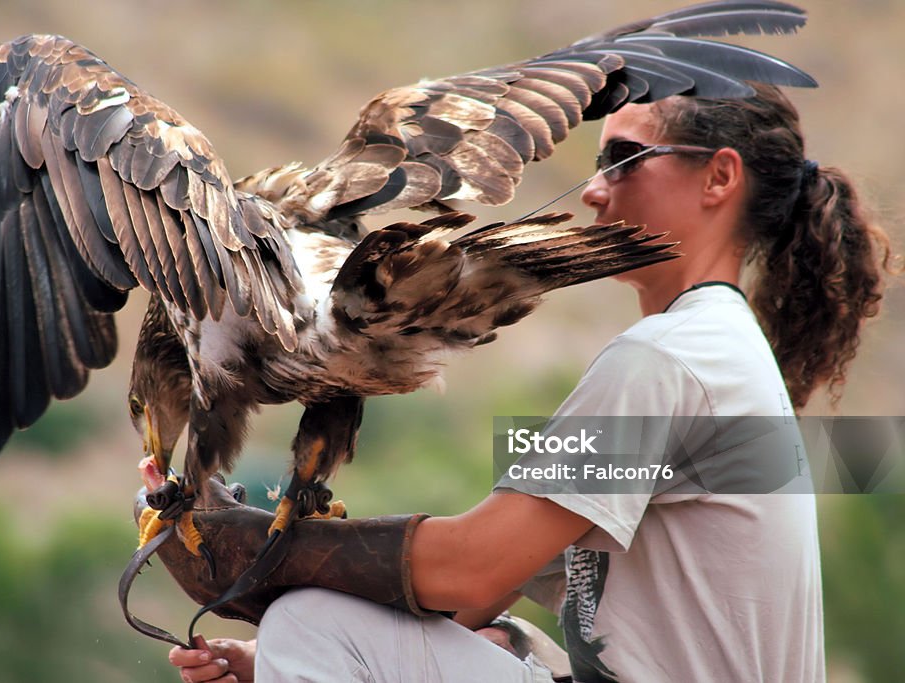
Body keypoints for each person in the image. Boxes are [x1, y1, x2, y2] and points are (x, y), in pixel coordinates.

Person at [162, 84, 897, 682]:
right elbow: (471, 602)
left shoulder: (668, 359)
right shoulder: (719, 350)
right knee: (486, 639)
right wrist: (276, 665)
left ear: (720, 176)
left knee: (310, 620)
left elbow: (471, 568)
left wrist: (267, 552)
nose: (594, 192)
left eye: (624, 160)